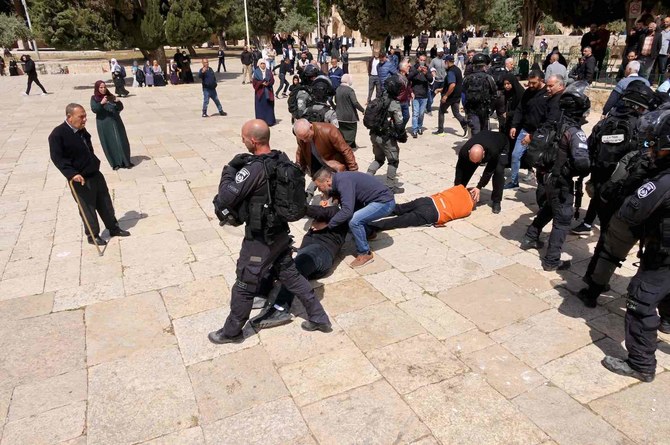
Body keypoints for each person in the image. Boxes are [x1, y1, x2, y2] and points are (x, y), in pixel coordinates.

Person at [208, 119, 332, 344]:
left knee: (245, 283)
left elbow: (226, 196)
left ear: (253, 141)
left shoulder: (252, 169)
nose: (242, 141)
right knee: (292, 276)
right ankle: (319, 316)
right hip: (280, 234)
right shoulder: (280, 158)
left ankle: (231, 331)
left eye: (244, 138)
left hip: (260, 238)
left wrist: (229, 171)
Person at [601, 112, 670, 383]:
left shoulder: (663, 181)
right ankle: (667, 321)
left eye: (654, 145)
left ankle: (641, 364)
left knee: (640, 300)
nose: (650, 150)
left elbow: (632, 211)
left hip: (663, 251)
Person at [520, 81, 592, 271]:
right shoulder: (575, 132)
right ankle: (552, 260)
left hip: (547, 176)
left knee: (550, 208)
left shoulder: (554, 124)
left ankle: (530, 236)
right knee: (563, 220)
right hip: (561, 181)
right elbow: (582, 164)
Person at [572, 80, 655, 237]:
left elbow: (591, 143)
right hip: (620, 178)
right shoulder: (641, 126)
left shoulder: (607, 120)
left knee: (598, 198)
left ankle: (588, 223)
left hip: (600, 169)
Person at [250, 201, 349, 329]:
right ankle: (261, 295)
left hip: (320, 253)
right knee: (278, 261)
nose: (321, 202)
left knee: (293, 270)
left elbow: (318, 211)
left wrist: (291, 205)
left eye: (324, 200)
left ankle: (280, 309)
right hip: (308, 253)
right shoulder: (325, 218)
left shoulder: (337, 211)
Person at [49, 103, 131, 246]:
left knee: (105, 202)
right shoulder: (58, 135)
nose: (85, 119)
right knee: (87, 208)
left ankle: (113, 227)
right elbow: (58, 159)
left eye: (85, 116)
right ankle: (93, 235)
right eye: (81, 116)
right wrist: (72, 174)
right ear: (69, 117)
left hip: (94, 172)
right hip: (79, 178)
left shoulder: (81, 130)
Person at [312, 169, 395, 268]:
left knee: (354, 221)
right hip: (372, 201)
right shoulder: (336, 179)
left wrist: (327, 224)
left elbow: (347, 211)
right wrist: (327, 200)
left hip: (384, 203)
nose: (319, 190)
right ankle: (369, 233)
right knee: (350, 215)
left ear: (327, 181)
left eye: (319, 186)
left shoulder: (343, 182)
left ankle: (365, 253)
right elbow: (340, 196)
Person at [505, 70, 547, 189]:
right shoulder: (528, 92)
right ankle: (514, 181)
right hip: (525, 129)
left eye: (534, 83)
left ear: (541, 81)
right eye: (530, 82)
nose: (531, 85)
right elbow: (520, 109)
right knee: (515, 155)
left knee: (539, 159)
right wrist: (514, 125)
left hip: (540, 132)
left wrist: (533, 135)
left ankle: (541, 185)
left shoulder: (547, 94)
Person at [368, 185, 474, 231]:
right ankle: (369, 228)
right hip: (433, 213)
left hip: (427, 201)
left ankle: (367, 210)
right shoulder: (468, 209)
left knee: (398, 208)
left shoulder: (459, 188)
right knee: (397, 221)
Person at [367, 76, 407, 193]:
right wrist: (402, 136)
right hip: (385, 137)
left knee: (379, 159)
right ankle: (390, 186)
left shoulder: (379, 98)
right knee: (393, 160)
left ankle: (366, 179)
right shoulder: (394, 103)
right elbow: (399, 123)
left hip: (374, 134)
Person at [454, 130, 508, 213]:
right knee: (469, 166)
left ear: (483, 153)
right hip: (485, 139)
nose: (477, 164)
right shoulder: (464, 151)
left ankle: (496, 201)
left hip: (502, 144)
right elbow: (460, 169)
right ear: (469, 152)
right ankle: (460, 191)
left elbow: (489, 170)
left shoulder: (493, 151)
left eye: (479, 161)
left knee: (498, 172)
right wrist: (457, 187)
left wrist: (479, 187)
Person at [90, 81, 133, 170]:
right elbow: (94, 109)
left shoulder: (110, 96)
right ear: (97, 88)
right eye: (101, 88)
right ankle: (115, 163)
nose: (103, 89)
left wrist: (118, 102)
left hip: (116, 121)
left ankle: (126, 161)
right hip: (104, 123)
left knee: (122, 140)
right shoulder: (94, 98)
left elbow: (120, 108)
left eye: (104, 87)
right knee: (109, 142)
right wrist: (101, 103)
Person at [293, 119, 358, 177]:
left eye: (306, 136)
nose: (305, 140)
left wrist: (353, 170)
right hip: (319, 169)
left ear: (311, 127)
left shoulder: (329, 131)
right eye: (302, 139)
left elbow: (345, 150)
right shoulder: (301, 137)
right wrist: (299, 168)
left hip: (336, 168)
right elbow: (300, 151)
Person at [462, 53, 497, 135]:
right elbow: (494, 95)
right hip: (484, 110)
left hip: (471, 110)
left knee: (475, 132)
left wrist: (466, 109)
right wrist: (491, 109)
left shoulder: (467, 78)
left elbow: (463, 96)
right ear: (484, 66)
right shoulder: (489, 78)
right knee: (484, 133)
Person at [434, 55, 467, 136]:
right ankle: (465, 124)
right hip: (457, 96)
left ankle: (440, 131)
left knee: (441, 111)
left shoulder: (451, 71)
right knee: (456, 113)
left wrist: (445, 96)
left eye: (445, 62)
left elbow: (452, 85)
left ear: (447, 62)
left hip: (450, 97)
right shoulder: (457, 69)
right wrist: (441, 89)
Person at [335, 74, 365, 148]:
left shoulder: (338, 89)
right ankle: (348, 146)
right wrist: (363, 110)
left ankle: (350, 144)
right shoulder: (350, 90)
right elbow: (355, 102)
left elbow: (335, 101)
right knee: (351, 131)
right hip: (349, 116)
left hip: (339, 115)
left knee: (342, 131)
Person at [408, 54, 433, 138]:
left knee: (421, 113)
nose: (422, 62)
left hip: (424, 95)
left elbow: (431, 79)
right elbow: (409, 77)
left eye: (424, 60)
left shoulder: (427, 68)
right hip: (415, 94)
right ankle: (414, 130)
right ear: (418, 59)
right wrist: (417, 71)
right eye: (421, 60)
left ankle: (419, 127)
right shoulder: (414, 68)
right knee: (415, 113)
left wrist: (426, 73)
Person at [252, 61, 276, 126]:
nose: (263, 65)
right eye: (261, 64)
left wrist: (268, 83)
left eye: (264, 64)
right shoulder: (256, 72)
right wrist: (261, 83)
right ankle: (261, 122)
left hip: (268, 91)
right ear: (259, 65)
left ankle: (269, 121)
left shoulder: (269, 72)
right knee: (260, 108)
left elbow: (272, 80)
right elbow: (254, 82)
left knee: (269, 107)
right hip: (260, 92)